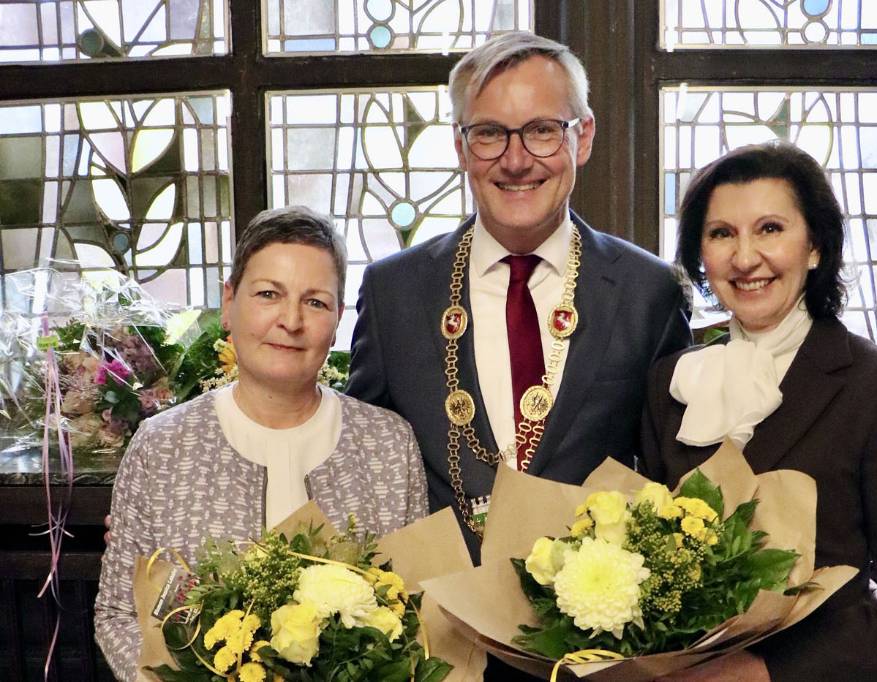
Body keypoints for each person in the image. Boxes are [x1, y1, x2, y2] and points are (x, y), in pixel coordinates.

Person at [345, 31, 691, 559]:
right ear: (461, 146)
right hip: (437, 624)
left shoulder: (648, 292)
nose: (515, 160)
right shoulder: (394, 292)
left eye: (542, 131)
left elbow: (673, 485)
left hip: (602, 628)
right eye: (489, 134)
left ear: (584, 137)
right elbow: (362, 468)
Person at [641, 141, 877, 681]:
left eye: (770, 228)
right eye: (722, 233)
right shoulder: (669, 383)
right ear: (701, 254)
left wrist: (764, 673)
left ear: (815, 246)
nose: (745, 258)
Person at [94, 206, 428, 680]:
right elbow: (120, 615)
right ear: (229, 302)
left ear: (337, 322)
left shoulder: (388, 443)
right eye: (269, 294)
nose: (291, 320)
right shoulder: (161, 446)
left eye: (316, 302)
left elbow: (418, 609)